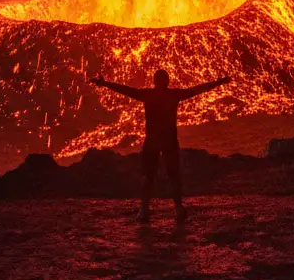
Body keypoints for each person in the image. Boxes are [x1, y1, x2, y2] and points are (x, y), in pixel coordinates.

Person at [89, 69, 231, 222]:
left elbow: (126, 90)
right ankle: (177, 209)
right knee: (173, 175)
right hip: (168, 140)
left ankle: (144, 210)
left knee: (150, 176)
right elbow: (195, 90)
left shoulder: (148, 95)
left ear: (154, 81)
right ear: (167, 81)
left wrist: (105, 84)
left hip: (153, 140)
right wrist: (218, 83)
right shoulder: (172, 95)